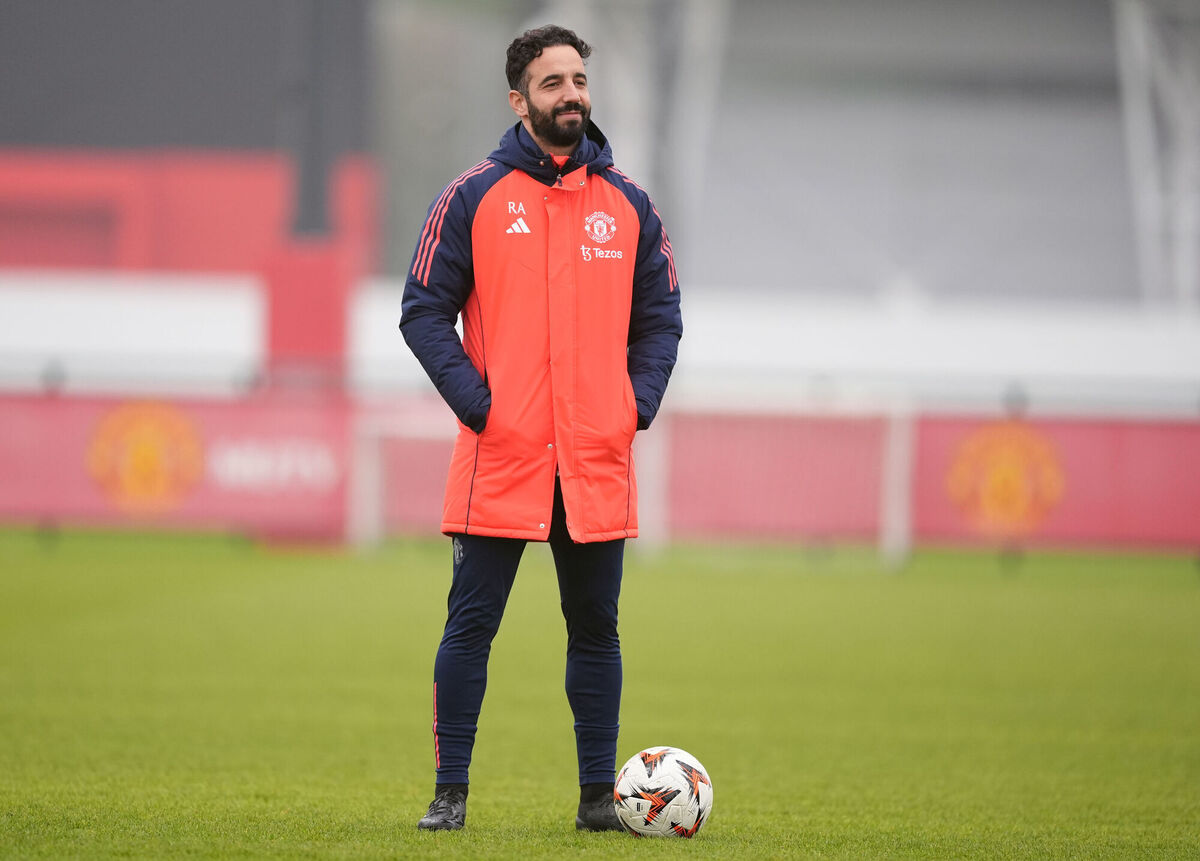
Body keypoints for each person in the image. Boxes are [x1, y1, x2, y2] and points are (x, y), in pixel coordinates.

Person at [399, 24, 682, 832]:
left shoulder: (628, 205)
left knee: (596, 628)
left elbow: (661, 319)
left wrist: (632, 407)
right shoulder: (472, 197)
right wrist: (481, 406)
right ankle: (450, 791)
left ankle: (600, 798)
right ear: (518, 99)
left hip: (593, 457)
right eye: (553, 82)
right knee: (470, 624)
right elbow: (424, 311)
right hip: (505, 455)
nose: (572, 95)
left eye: (579, 80)